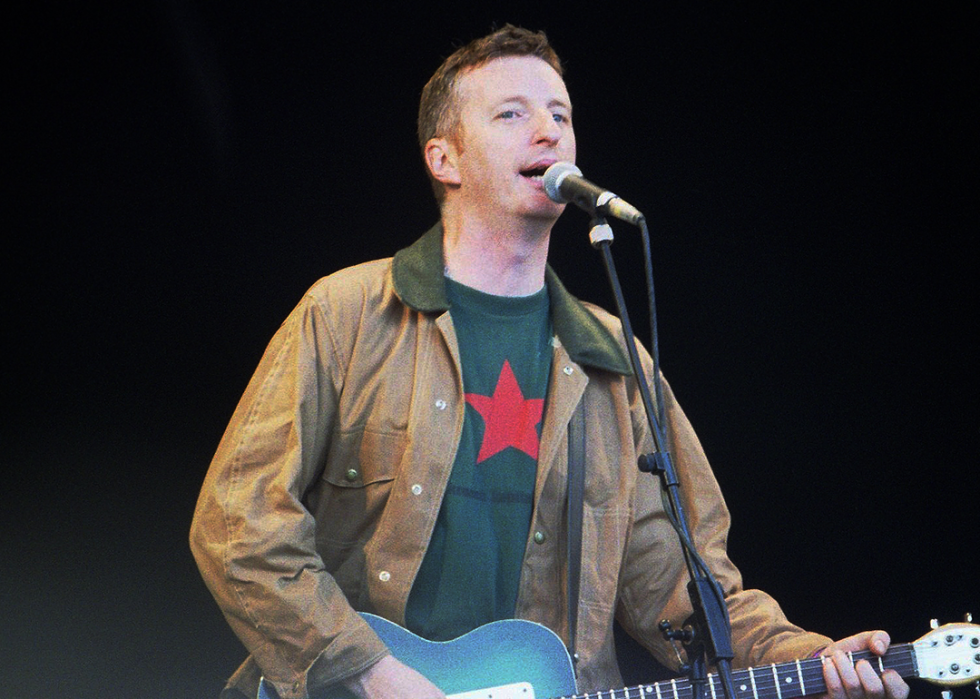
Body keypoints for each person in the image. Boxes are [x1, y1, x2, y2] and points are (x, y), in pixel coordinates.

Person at [190, 25, 911, 699]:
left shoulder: (613, 360)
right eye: (511, 114)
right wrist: (371, 670)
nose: (548, 130)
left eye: (560, 115)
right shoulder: (345, 313)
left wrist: (811, 655)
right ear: (444, 159)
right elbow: (237, 523)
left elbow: (680, 587)